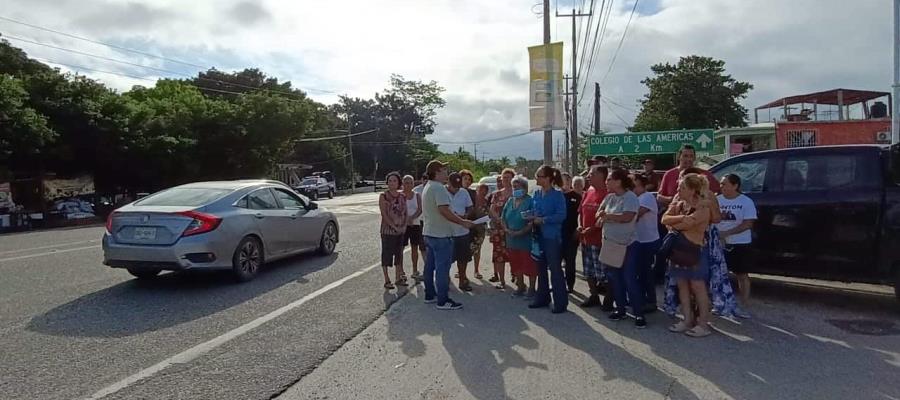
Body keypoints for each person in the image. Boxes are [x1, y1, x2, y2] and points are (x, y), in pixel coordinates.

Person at [662, 173, 713, 337]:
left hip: (695, 250)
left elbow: (688, 223)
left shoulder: (703, 207)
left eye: (682, 187)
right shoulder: (678, 204)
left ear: (692, 190)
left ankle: (703, 324)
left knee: (698, 286)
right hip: (679, 249)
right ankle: (687, 319)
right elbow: (664, 219)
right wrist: (681, 217)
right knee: (682, 284)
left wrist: (676, 223)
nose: (678, 189)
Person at [421, 160, 475, 310]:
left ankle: (430, 295)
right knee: (442, 268)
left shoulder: (428, 186)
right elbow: (444, 210)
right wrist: (462, 222)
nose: (446, 173)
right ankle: (443, 300)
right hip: (441, 234)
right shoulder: (438, 188)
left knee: (429, 266)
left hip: (430, 232)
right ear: (437, 172)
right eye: (444, 170)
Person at [597, 168, 646, 328]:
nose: (606, 182)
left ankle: (639, 314)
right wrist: (602, 216)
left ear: (618, 181)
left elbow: (627, 217)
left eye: (609, 179)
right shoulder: (609, 197)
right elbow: (599, 212)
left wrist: (608, 217)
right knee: (614, 278)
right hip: (610, 244)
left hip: (628, 245)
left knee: (629, 279)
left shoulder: (630, 197)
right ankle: (620, 309)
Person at [527, 165, 568, 313]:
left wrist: (543, 220)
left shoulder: (557, 195)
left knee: (555, 269)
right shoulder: (536, 193)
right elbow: (534, 209)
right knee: (540, 267)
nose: (536, 178)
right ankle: (542, 297)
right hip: (538, 236)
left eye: (539, 176)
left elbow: (561, 215)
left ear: (548, 178)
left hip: (551, 236)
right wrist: (529, 216)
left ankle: (560, 302)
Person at [717, 174, 757, 317]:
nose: (722, 187)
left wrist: (727, 232)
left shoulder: (746, 202)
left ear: (735, 186)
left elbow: (748, 224)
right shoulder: (717, 200)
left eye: (725, 184)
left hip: (740, 243)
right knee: (720, 275)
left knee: (741, 274)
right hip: (720, 244)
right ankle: (721, 302)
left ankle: (744, 305)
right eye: (721, 184)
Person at [578, 165, 611, 309]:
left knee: (604, 273)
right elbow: (581, 212)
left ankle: (609, 299)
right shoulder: (588, 192)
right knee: (588, 271)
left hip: (600, 241)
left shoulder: (609, 194)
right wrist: (580, 227)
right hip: (585, 239)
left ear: (601, 175)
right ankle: (594, 296)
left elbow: (606, 219)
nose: (588, 176)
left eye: (592, 174)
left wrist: (591, 230)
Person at [502, 176, 537, 298]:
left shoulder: (530, 201)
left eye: (517, 186)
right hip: (511, 239)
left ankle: (532, 289)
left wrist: (521, 232)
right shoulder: (510, 201)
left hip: (526, 239)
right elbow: (503, 217)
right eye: (513, 186)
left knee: (529, 265)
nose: (514, 189)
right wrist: (506, 229)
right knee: (515, 264)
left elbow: (531, 221)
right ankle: (520, 286)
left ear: (525, 188)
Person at [633, 173, 660, 313]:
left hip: (648, 241)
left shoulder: (647, 197)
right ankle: (641, 299)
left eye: (635, 185)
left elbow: (636, 215)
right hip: (638, 240)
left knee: (646, 272)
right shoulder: (636, 197)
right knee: (639, 272)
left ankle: (651, 301)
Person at [379, 172, 408, 289]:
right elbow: (384, 214)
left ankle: (398, 277)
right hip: (388, 230)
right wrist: (393, 226)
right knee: (386, 254)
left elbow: (405, 212)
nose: (392, 183)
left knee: (399, 254)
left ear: (398, 183)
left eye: (394, 181)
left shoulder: (402, 196)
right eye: (390, 181)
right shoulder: (383, 196)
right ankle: (387, 279)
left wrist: (404, 225)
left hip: (400, 229)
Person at [488, 169, 516, 288]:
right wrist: (499, 219)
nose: (506, 180)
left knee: (515, 253)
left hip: (514, 229)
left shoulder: (518, 193)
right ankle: (502, 280)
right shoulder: (497, 194)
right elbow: (492, 209)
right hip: (499, 229)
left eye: (508, 177)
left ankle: (516, 276)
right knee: (499, 255)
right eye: (504, 178)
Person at [447, 172, 474, 292]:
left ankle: (462, 280)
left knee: (463, 259)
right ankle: (445, 280)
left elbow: (470, 207)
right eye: (454, 186)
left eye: (458, 186)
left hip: (462, 231)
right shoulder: (441, 192)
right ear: (448, 183)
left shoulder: (463, 192)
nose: (456, 188)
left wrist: (466, 216)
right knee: (447, 259)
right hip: (447, 231)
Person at [561, 173, 584, 293]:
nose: (563, 183)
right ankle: (559, 284)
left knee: (570, 262)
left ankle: (570, 285)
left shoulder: (577, 196)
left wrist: (579, 229)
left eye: (565, 180)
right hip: (557, 234)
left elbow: (582, 214)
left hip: (571, 234)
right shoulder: (556, 196)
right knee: (556, 262)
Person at [402, 175, 424, 281]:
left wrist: (412, 218)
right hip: (403, 226)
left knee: (415, 248)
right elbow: (399, 210)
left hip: (415, 225)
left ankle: (415, 270)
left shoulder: (417, 195)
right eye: (406, 183)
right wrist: (406, 219)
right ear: (403, 184)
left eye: (410, 182)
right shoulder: (400, 196)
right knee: (400, 249)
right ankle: (401, 271)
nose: (408, 185)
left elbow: (420, 209)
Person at [469, 183, 490, 280]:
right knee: (465, 248)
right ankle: (461, 271)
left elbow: (489, 213)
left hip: (480, 228)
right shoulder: (471, 199)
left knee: (477, 249)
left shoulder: (486, 201)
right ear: (477, 189)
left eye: (485, 190)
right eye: (481, 189)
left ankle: (476, 270)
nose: (483, 192)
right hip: (468, 226)